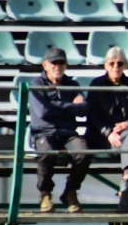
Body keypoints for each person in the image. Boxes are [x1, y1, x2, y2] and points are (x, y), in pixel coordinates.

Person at [87, 47, 128, 214]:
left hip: (126, 138)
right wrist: (108, 132)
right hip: (102, 138)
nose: (115, 66)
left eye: (120, 63)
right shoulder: (96, 85)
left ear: (126, 66)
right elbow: (92, 117)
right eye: (112, 63)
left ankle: (127, 183)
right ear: (105, 65)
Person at [29, 47, 90, 213]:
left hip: (67, 133)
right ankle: (45, 193)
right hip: (44, 132)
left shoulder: (72, 84)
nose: (57, 66)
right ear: (45, 65)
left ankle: (70, 191)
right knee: (47, 152)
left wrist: (53, 105)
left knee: (83, 152)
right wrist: (71, 106)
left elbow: (84, 109)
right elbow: (43, 112)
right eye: (53, 62)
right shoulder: (36, 84)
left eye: (61, 62)